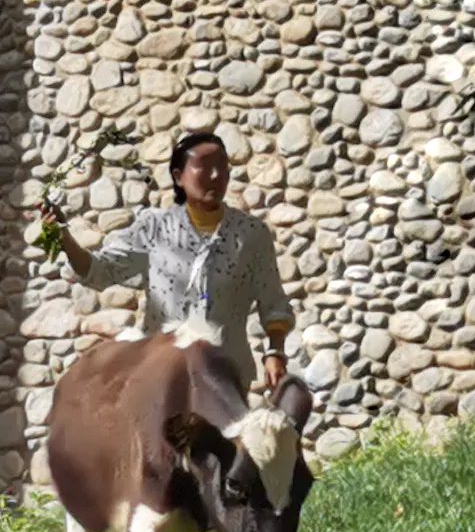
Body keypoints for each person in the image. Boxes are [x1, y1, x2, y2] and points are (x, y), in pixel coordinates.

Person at [36, 127, 294, 395]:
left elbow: (272, 300)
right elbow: (100, 271)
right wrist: (64, 238)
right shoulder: (154, 229)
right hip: (161, 377)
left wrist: (275, 352)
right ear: (178, 177)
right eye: (204, 167)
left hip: (225, 378)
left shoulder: (251, 234)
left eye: (222, 167)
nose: (216, 176)